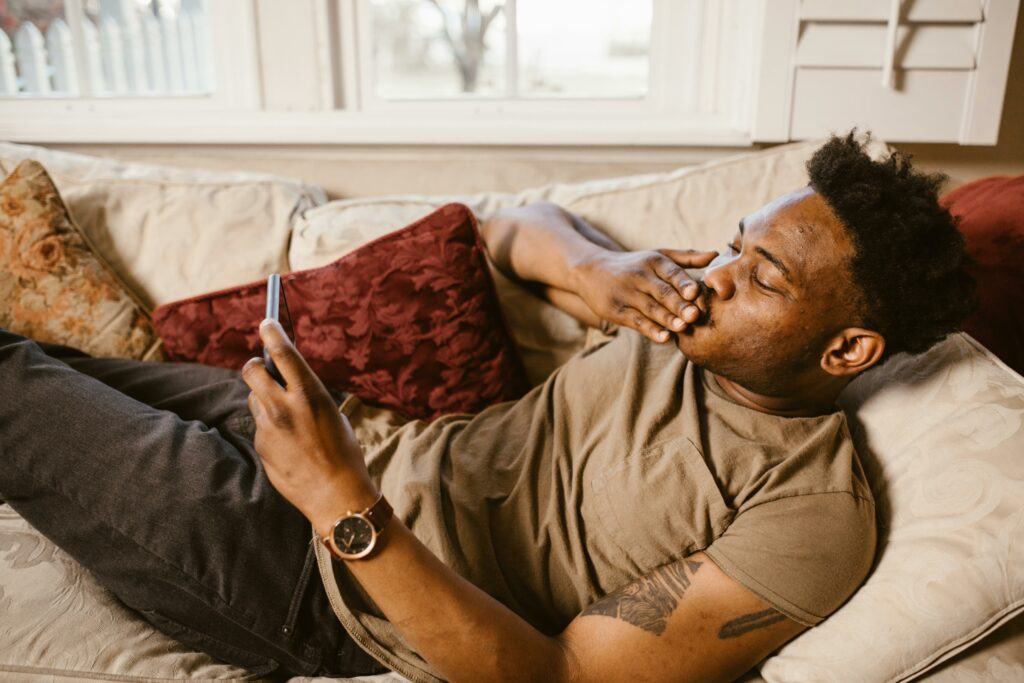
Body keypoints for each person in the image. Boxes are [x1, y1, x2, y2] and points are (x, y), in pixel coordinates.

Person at [0, 133, 974, 682]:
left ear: (846, 349)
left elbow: (558, 679)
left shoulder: (808, 516)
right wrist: (596, 263)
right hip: (345, 443)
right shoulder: (683, 304)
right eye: (731, 241)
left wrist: (337, 494)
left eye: (757, 270)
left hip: (321, 582)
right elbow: (513, 232)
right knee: (26, 359)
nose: (714, 272)